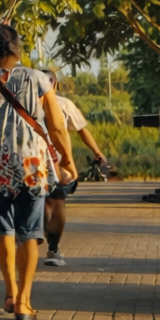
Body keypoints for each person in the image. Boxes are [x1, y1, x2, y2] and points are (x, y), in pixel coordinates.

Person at [0, 24, 77, 320]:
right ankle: (24, 301)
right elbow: (57, 125)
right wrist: (68, 162)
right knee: (30, 233)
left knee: (3, 229)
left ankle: (9, 293)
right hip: (31, 167)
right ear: (17, 49)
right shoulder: (38, 79)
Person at [39, 69, 109, 267]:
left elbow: (80, 129)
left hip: (47, 164)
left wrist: (97, 151)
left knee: (53, 202)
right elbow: (78, 130)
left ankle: (48, 244)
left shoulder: (61, 104)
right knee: (51, 204)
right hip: (46, 163)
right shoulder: (39, 103)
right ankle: (49, 244)